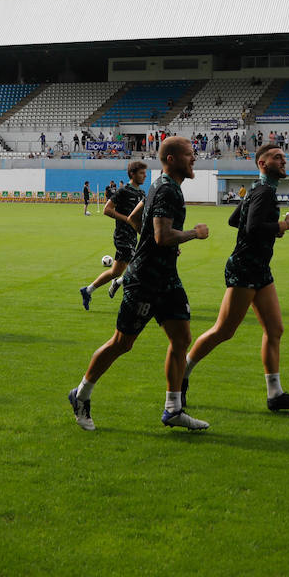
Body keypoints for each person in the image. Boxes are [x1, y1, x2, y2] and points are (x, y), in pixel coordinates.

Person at [67, 136, 211, 432]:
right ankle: (80, 395)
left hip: (166, 278)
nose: (194, 157)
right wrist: (191, 234)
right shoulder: (168, 190)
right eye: (188, 153)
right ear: (172, 158)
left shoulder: (158, 185)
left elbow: (136, 219)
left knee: (182, 338)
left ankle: (173, 409)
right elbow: (161, 236)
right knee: (122, 343)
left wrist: (159, 241)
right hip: (145, 280)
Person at [183, 145, 289, 413]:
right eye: (277, 157)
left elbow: (234, 220)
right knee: (223, 331)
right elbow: (250, 227)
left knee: (275, 330)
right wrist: (284, 226)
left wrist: (272, 230)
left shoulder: (257, 189)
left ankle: (275, 394)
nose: (283, 160)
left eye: (283, 157)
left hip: (259, 269)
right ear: (262, 164)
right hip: (245, 269)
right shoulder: (263, 191)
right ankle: (181, 373)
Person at [79, 160, 148, 309]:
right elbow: (107, 210)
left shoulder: (142, 193)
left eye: (145, 173)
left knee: (116, 271)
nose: (145, 176)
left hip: (133, 236)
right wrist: (127, 220)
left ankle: (88, 290)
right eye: (142, 173)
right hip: (122, 236)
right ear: (132, 174)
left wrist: (146, 234)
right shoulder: (123, 191)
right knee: (139, 268)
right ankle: (127, 294)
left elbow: (141, 219)